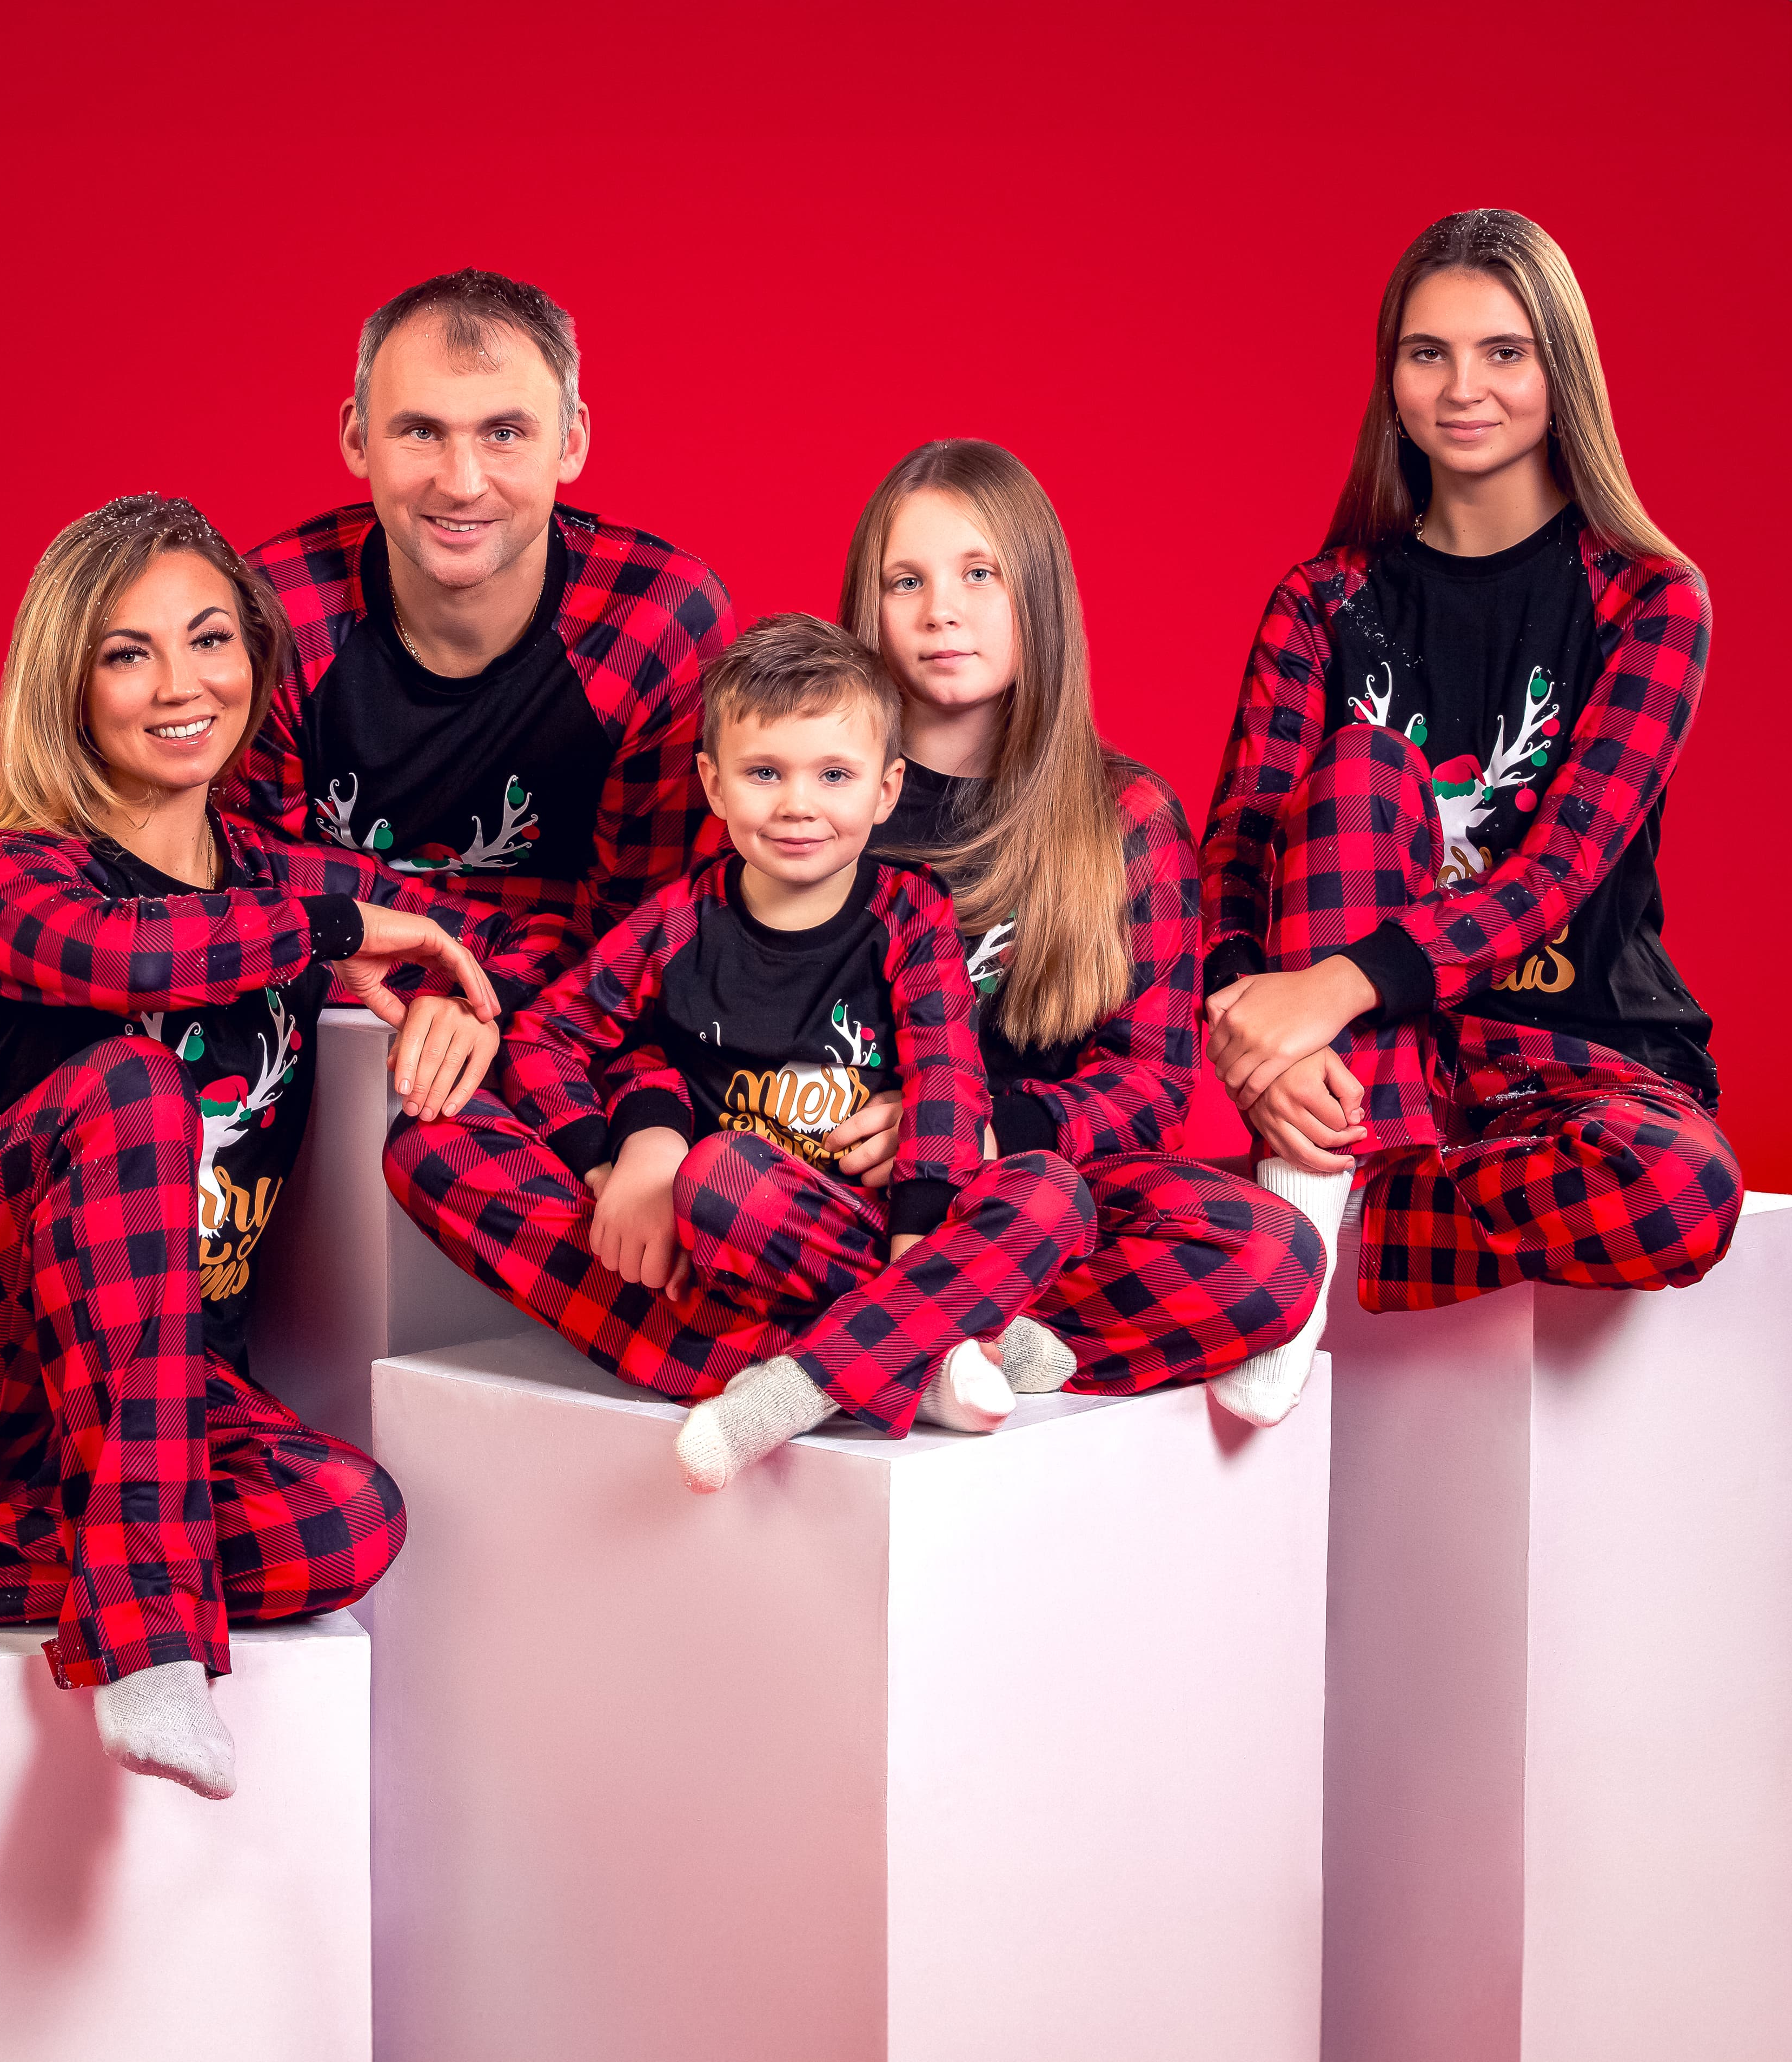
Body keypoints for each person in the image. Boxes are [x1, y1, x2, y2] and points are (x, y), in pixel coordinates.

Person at [0, 496, 504, 1800]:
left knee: (350, 1520)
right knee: (135, 1087)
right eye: (128, 654)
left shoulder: (276, 879)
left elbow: (494, 942)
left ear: (256, 657)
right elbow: (122, 954)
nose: (181, 685)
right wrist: (338, 929)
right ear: (69, 685)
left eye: (210, 641)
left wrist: (452, 999)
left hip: (158, 1393)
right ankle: (149, 1644)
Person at [1199, 209, 1742, 1424]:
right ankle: (1313, 1181)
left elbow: (1560, 868)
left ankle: (1323, 1226)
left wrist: (1327, 989)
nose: (1464, 389)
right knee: (1357, 771)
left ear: (1563, 373)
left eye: (1505, 352)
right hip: (1377, 1077)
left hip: (1573, 1051)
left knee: (1682, 1194)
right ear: (1390, 381)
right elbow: (1237, 839)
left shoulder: (1648, 597)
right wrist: (1247, 1011)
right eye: (1427, 352)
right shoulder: (1325, 601)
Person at [388, 615, 1099, 1492]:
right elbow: (546, 1035)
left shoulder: (911, 914)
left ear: (886, 788)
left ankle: (824, 1372)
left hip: (848, 1224)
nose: (798, 804)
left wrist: (922, 1253)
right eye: (765, 773)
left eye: (833, 775)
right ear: (714, 785)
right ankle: (924, 1353)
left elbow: (948, 1079)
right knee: (431, 1146)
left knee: (1047, 1191)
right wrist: (613, 1163)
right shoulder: (679, 920)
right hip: (706, 1242)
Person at [828, 438, 1325, 1428]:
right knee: (725, 1200)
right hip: (852, 1192)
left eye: (981, 575)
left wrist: (975, 1132)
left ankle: (927, 1346)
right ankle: (918, 1333)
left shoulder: (1126, 817)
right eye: (906, 581)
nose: (942, 612)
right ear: (865, 609)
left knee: (1272, 1258)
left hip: (1039, 1202)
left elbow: (1151, 1088)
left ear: (1038, 599)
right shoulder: (817, 799)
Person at [224, 267, 736, 1112]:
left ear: (571, 443)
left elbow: (642, 925)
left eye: (504, 434)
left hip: (569, 1033)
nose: (461, 483)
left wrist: (479, 992)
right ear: (358, 439)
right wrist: (456, 969)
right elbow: (249, 879)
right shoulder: (273, 611)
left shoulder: (657, 619)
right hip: (317, 1028)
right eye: (421, 432)